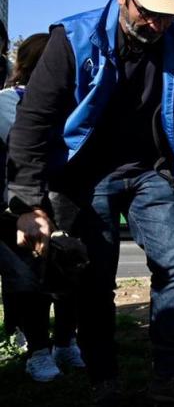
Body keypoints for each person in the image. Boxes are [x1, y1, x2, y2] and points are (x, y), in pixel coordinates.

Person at [6, 0, 174, 405]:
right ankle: (104, 379)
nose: (158, 25)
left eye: (168, 15)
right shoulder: (73, 40)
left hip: (148, 171)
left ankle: (172, 376)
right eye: (149, 13)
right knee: (94, 280)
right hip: (87, 175)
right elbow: (32, 123)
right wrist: (28, 204)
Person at [0, 33, 85, 382]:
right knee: (32, 279)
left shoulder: (70, 102)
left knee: (70, 273)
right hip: (22, 203)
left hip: (64, 198)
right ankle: (38, 350)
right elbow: (21, 144)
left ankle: (65, 342)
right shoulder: (8, 101)